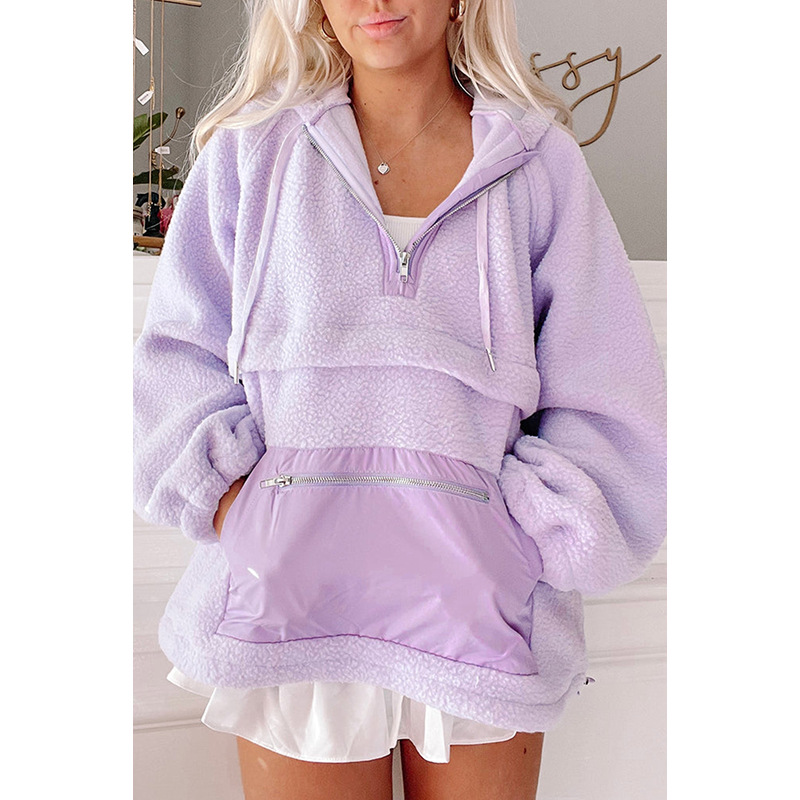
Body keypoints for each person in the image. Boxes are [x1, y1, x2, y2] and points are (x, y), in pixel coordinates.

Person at [132, 0, 667, 797]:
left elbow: (608, 383)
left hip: (480, 618)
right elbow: (176, 356)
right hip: (287, 610)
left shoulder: (537, 164)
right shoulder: (251, 152)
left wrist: (521, 539)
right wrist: (241, 509)